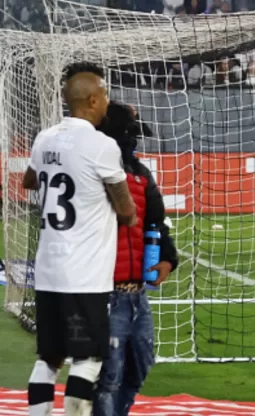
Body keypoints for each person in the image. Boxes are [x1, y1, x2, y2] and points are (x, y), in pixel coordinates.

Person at [23, 62, 137, 416]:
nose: (107, 101)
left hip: (48, 271)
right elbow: (127, 211)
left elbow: (29, 180)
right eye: (104, 94)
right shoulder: (102, 145)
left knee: (48, 358)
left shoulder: (45, 138)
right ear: (91, 100)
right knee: (88, 360)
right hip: (84, 274)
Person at [92, 102, 179, 416]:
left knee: (139, 366)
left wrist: (168, 259)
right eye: (129, 134)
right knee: (109, 376)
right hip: (103, 291)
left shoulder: (141, 174)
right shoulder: (93, 173)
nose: (133, 142)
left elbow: (156, 221)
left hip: (137, 293)